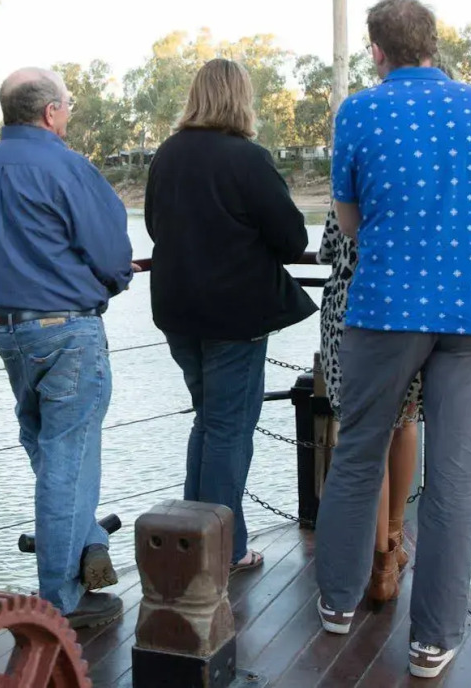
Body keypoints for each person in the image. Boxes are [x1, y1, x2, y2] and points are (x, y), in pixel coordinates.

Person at [314, 0, 471, 680]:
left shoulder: (359, 111)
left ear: (375, 51)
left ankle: (335, 604)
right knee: (454, 479)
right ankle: (433, 639)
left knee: (357, 453)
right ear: (433, 45)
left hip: (381, 310)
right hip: (467, 312)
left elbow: (348, 219)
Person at [0, 67, 135, 629]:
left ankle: (84, 545)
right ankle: (57, 607)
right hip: (68, 329)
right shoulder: (67, 166)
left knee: (46, 442)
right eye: (68, 105)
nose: (69, 113)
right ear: (50, 113)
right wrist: (110, 282)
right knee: (64, 455)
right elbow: (112, 254)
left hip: (11, 331)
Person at [145, 58, 316, 573]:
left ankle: (194, 541)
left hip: (178, 313)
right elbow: (292, 239)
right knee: (229, 431)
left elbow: (155, 226)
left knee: (209, 423)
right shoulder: (246, 159)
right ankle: (221, 552)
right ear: (240, 98)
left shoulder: (167, 155)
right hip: (233, 320)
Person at [316, 206, 421, 604]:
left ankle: (380, 564)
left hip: (348, 314)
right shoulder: (419, 178)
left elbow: (328, 249)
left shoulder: (353, 171)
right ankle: (393, 546)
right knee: (405, 422)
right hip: (407, 311)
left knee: (364, 437)